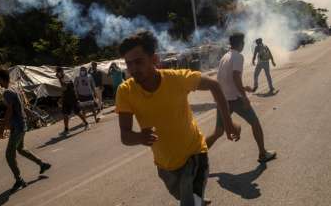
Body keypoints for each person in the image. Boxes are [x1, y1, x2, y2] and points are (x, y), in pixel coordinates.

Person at [115, 31, 240, 206]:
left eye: (139, 62)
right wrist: (139, 137)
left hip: (194, 154)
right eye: (129, 64)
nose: (133, 68)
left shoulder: (176, 79)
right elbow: (125, 136)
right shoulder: (125, 92)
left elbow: (214, 85)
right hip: (165, 166)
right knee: (186, 198)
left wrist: (227, 123)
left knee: (190, 202)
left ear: (154, 59)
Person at [206, 33, 277, 163]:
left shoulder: (225, 57)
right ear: (240, 44)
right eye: (243, 42)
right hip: (235, 99)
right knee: (255, 123)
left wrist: (244, 88)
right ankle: (262, 153)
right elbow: (235, 77)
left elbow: (224, 80)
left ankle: (195, 157)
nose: (244, 45)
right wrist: (244, 96)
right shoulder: (238, 56)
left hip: (224, 100)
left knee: (218, 132)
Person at [0, 69, 51, 192]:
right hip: (22, 125)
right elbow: (23, 106)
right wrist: (29, 115)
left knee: (9, 155)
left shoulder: (7, 92)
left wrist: (1, 128)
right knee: (20, 149)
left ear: (1, 79)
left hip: (17, 127)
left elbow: (9, 111)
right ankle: (42, 164)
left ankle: (19, 179)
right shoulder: (15, 88)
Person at [56, 67, 89, 134]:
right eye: (57, 72)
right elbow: (63, 89)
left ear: (62, 71)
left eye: (59, 71)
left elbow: (65, 86)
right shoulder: (60, 78)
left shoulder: (66, 77)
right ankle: (66, 129)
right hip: (66, 97)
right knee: (65, 114)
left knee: (77, 112)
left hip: (72, 97)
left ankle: (86, 123)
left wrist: (59, 78)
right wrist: (61, 98)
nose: (58, 73)